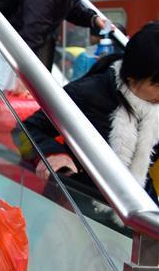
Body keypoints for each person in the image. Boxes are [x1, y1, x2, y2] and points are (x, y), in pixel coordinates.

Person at [18, 22, 159, 211]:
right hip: (76, 206)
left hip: (138, 209)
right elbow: (22, 131)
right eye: (157, 85)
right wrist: (52, 154)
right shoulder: (87, 93)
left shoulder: (155, 108)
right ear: (132, 76)